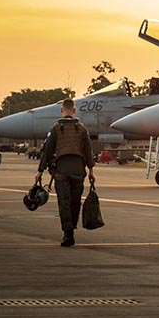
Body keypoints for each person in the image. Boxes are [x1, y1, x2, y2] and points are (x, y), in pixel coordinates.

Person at [35, 98, 95, 247]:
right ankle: (71, 228)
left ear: (62, 110)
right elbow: (88, 151)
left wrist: (40, 171)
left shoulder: (56, 128)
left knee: (64, 203)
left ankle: (68, 234)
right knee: (75, 202)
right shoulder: (82, 129)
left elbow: (47, 151)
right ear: (74, 111)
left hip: (61, 171)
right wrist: (91, 171)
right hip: (78, 172)